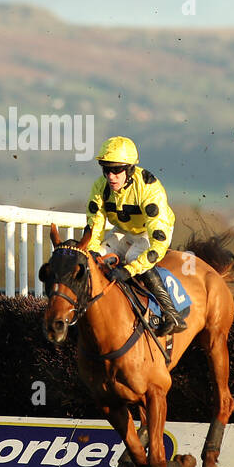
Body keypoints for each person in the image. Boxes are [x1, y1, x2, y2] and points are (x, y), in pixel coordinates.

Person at [84, 136, 186, 334]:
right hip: (124, 230)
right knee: (96, 257)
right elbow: (95, 226)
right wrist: (92, 252)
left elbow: (158, 244)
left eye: (116, 170)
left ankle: (171, 313)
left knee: (132, 258)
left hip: (152, 233)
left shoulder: (150, 188)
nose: (111, 176)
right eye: (106, 169)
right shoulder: (100, 187)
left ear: (129, 169)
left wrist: (129, 270)